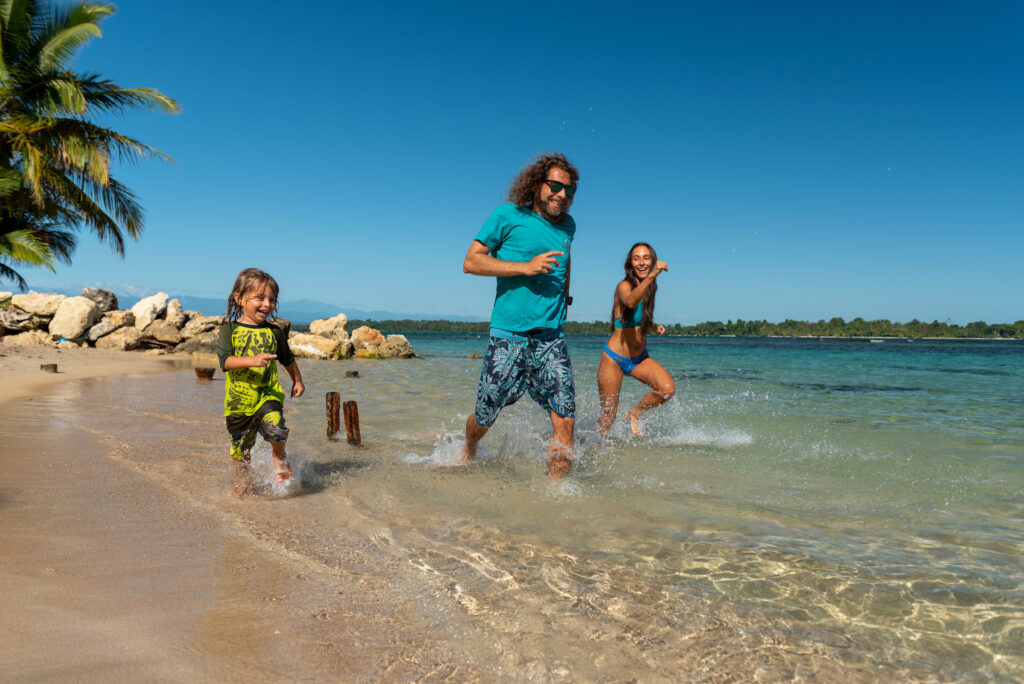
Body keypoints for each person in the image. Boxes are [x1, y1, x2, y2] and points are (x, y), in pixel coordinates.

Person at [461, 152, 580, 478]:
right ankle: (468, 449)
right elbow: (471, 261)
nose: (562, 195)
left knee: (565, 418)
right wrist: (525, 268)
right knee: (484, 418)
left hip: (551, 339)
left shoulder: (568, 226)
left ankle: (557, 498)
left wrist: (565, 295)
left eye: (569, 190)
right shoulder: (507, 216)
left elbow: (565, 261)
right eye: (555, 186)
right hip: (508, 339)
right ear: (536, 184)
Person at [217, 268, 305, 496]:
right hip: (239, 401)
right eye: (260, 298)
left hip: (268, 394)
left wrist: (297, 380)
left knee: (277, 427)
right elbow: (225, 362)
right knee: (240, 447)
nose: (267, 304)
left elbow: (288, 359)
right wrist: (252, 360)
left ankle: (279, 455)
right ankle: (243, 481)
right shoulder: (229, 329)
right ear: (239, 299)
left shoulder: (274, 332)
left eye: (272, 299)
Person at [597, 242, 675, 436]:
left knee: (666, 390)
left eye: (646, 258)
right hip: (614, 359)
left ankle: (633, 413)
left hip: (639, 358)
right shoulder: (623, 286)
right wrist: (652, 275)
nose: (641, 263)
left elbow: (637, 317)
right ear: (630, 264)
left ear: (652, 261)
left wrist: (652, 325)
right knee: (608, 419)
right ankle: (592, 450)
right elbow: (630, 301)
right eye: (636, 258)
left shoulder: (650, 288)